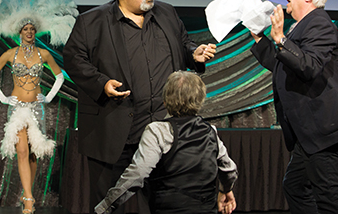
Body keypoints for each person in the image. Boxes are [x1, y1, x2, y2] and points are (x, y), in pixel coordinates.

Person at [63, 0, 217, 213]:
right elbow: (73, 58)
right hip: (114, 131)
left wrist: (194, 54)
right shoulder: (92, 21)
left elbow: (183, 44)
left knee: (162, 203)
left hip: (162, 130)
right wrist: (101, 83)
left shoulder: (166, 13)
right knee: (109, 204)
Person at [249, 0, 338, 213]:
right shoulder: (301, 27)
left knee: (329, 197)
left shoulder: (320, 24)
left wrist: (280, 39)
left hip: (322, 127)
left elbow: (308, 66)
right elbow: (285, 65)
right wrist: (261, 39)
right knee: (295, 187)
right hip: (309, 131)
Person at [94, 71, 238, 214]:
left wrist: (105, 206)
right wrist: (226, 189)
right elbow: (229, 170)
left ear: (165, 100)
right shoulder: (210, 131)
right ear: (200, 99)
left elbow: (137, 174)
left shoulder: (157, 131)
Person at [0, 18, 64, 213]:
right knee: (21, 150)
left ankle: (26, 192)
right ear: (19, 32)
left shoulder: (44, 54)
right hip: (18, 108)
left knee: (33, 154)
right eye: (25, 29)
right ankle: (29, 198)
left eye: (32, 29)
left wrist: (48, 97)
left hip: (36, 108)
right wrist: (3, 98)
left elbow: (60, 76)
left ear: (35, 32)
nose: (29, 32)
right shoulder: (10, 54)